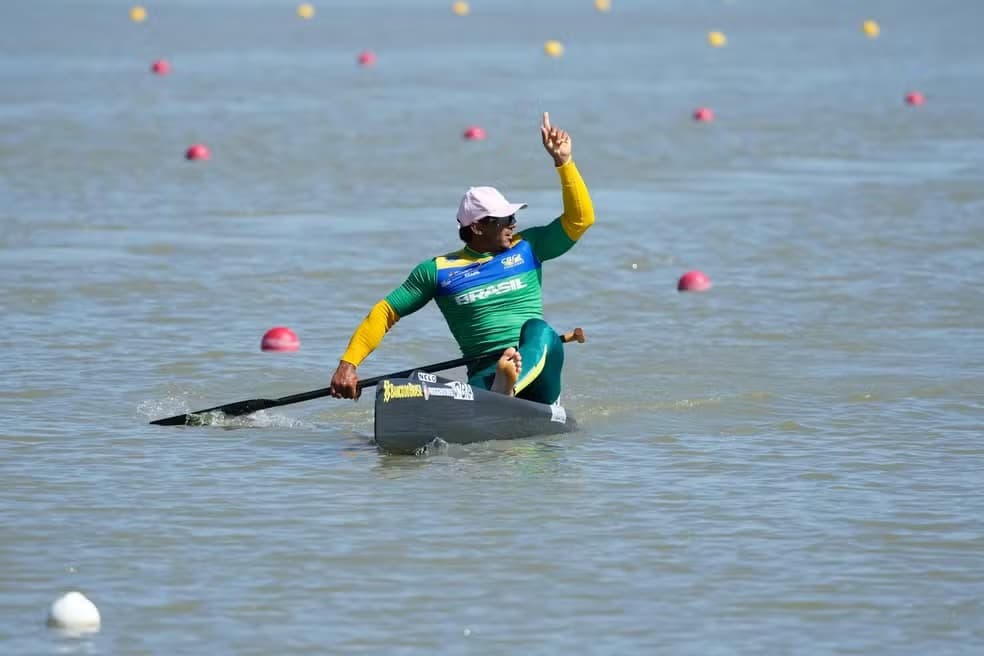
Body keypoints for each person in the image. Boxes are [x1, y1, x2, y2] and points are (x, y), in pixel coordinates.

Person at [328, 112, 594, 404]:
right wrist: (348, 365)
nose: (513, 224)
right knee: (410, 389)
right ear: (478, 227)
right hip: (486, 376)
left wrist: (563, 162)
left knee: (540, 331)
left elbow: (580, 220)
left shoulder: (528, 247)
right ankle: (498, 390)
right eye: (504, 219)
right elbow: (385, 312)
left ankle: (507, 389)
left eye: (513, 217)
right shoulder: (438, 271)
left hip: (539, 374)